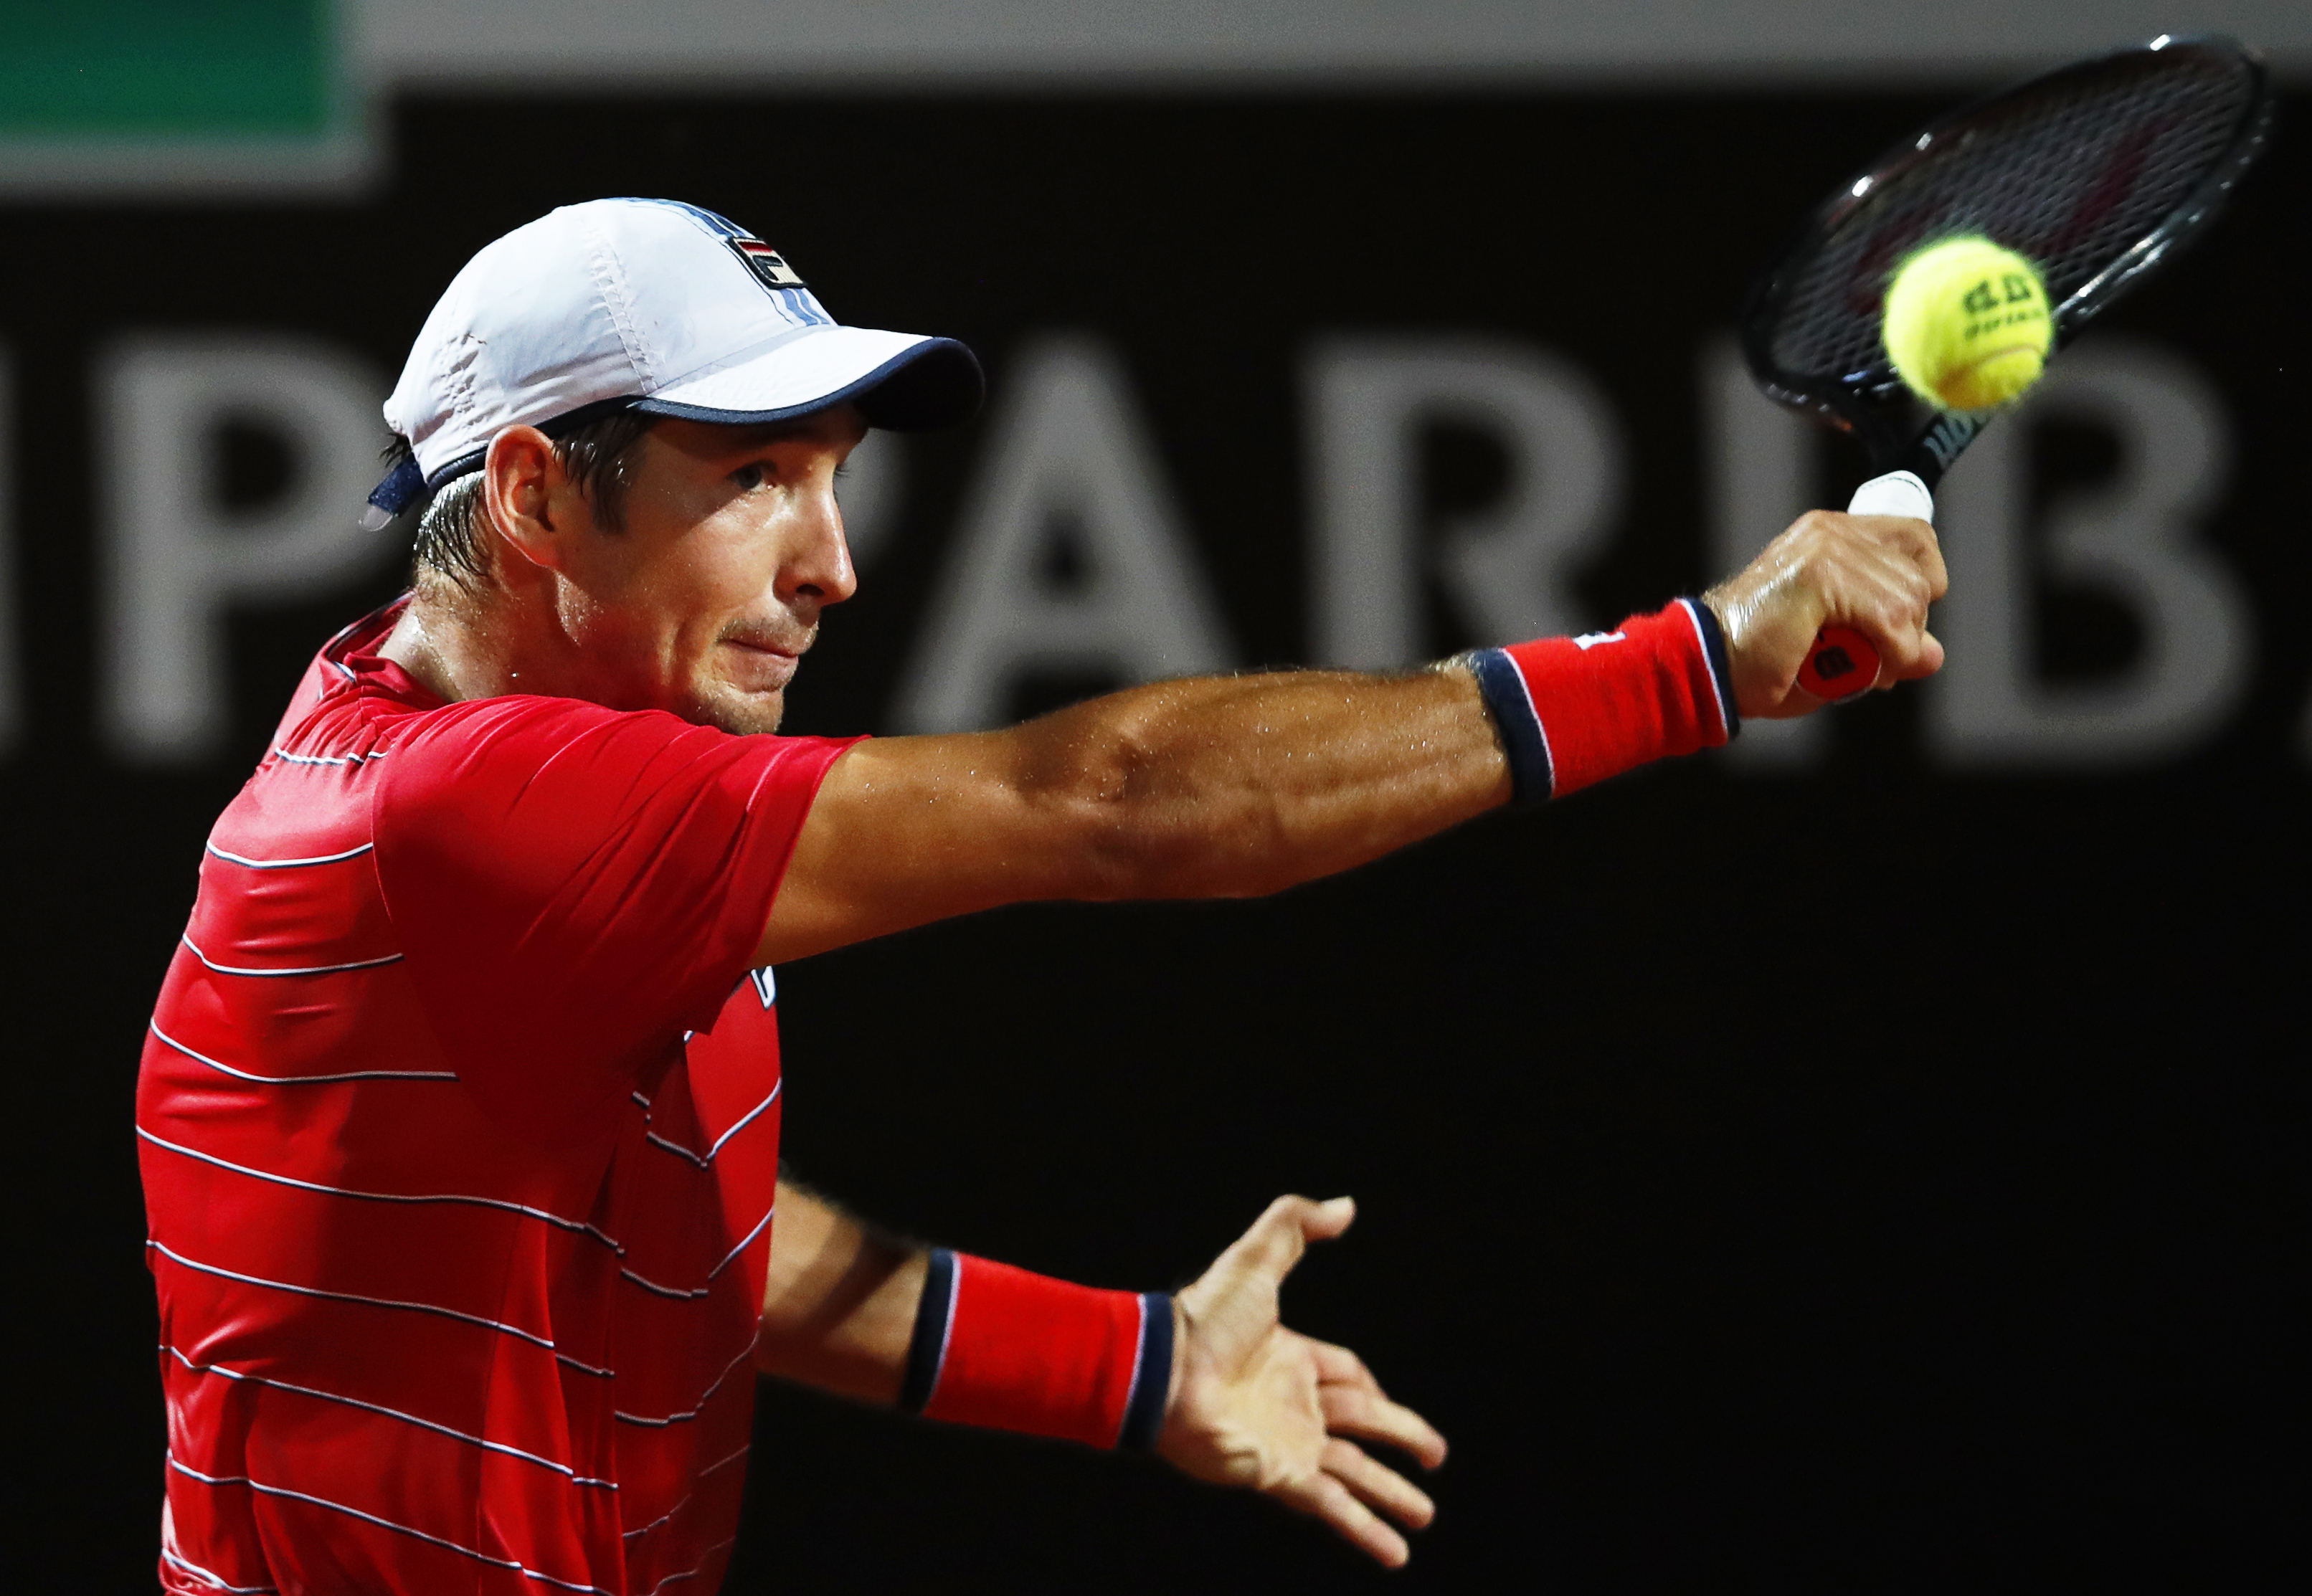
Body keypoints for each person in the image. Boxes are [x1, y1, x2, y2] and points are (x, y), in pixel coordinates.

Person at [136, 199, 1946, 1596]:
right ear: (533, 496)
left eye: (833, 481)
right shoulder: (480, 810)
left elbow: (685, 1227)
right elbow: (1107, 808)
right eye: (750, 477)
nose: (831, 564)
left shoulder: (427, 736)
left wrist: (1129, 1367)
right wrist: (1694, 662)